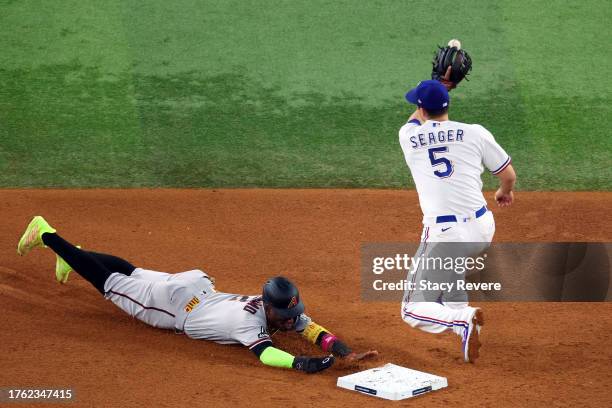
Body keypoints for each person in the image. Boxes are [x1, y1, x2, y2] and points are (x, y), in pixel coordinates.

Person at [17, 216, 377, 373]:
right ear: (269, 308)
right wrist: (302, 363)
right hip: (171, 307)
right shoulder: (247, 322)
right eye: (283, 316)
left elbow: (310, 329)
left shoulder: (279, 309)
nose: (289, 320)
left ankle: (71, 258)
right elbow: (267, 355)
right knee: (111, 284)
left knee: (131, 272)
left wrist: (342, 351)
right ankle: (47, 234)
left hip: (194, 287)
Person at [397, 80, 516, 363]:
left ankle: (461, 320)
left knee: (411, 308)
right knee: (453, 266)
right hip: (482, 229)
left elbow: (415, 120)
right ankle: (465, 324)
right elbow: (508, 175)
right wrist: (503, 193)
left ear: (421, 110)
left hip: (445, 235)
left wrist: (441, 83)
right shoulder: (475, 133)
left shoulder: (409, 136)